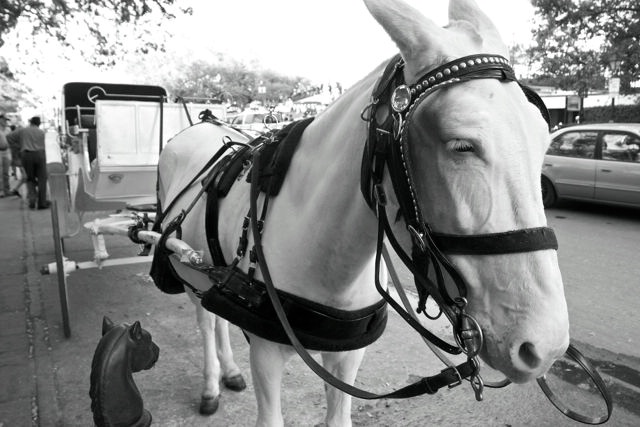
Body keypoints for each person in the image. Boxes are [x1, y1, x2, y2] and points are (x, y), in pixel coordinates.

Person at [19, 116, 50, 209]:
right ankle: (42, 203)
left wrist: (18, 149)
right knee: (42, 179)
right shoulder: (41, 132)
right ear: (39, 123)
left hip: (27, 155)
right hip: (39, 155)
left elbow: (9, 137)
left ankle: (32, 201)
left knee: (30, 178)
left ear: (31, 122)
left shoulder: (23, 131)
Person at [7, 124, 26, 197]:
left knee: (25, 177)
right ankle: (14, 190)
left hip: (19, 159)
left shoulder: (11, 137)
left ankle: (15, 190)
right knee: (26, 176)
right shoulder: (16, 140)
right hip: (19, 159)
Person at [0, 115, 11, 197]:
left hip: (7, 153)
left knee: (6, 173)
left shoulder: (8, 129)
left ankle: (6, 190)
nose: (5, 122)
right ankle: (1, 191)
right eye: (4, 120)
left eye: (6, 120)